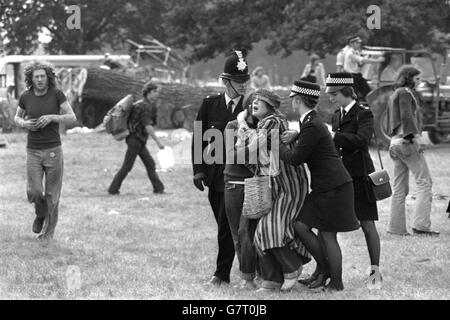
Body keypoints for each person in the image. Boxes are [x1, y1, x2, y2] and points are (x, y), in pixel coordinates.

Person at [279, 80, 360, 292]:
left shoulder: (312, 124)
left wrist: (274, 143)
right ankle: (324, 270)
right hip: (327, 186)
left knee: (327, 234)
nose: (292, 103)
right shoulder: (310, 122)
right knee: (301, 225)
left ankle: (336, 283)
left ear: (297, 100)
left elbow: (296, 158)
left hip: (334, 186)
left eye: (292, 100)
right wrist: (296, 135)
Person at [235, 89, 311, 292]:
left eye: (260, 101)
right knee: (264, 232)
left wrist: (241, 124)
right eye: (253, 101)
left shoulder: (272, 122)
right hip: (278, 186)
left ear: (271, 106)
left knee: (269, 230)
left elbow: (249, 149)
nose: (254, 103)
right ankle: (272, 280)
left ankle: (291, 268)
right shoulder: (266, 123)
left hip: (289, 186)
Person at [192, 50, 250, 286]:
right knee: (223, 224)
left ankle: (223, 273)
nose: (243, 86)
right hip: (216, 176)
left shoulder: (252, 106)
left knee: (230, 226)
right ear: (226, 82)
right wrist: (198, 170)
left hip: (242, 177)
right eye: (238, 81)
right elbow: (199, 137)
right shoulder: (210, 104)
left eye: (245, 81)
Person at [326, 72, 382, 290]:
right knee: (330, 226)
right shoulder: (336, 115)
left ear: (347, 91)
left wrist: (334, 137)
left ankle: (375, 272)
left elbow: (361, 141)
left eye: (335, 94)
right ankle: (328, 272)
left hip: (360, 176)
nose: (331, 98)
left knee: (368, 225)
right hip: (340, 176)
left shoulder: (363, 114)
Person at [14, 60, 77, 240]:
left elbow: (72, 117)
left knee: (52, 195)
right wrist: (25, 123)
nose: (40, 79)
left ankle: (48, 234)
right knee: (34, 190)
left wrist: (52, 117)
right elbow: (17, 118)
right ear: (31, 79)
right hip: (33, 150)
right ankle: (40, 213)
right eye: (36, 77)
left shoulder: (57, 94)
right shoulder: (26, 97)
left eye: (43, 76)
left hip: (53, 150)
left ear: (48, 77)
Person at [387, 66, 439, 236]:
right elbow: (407, 116)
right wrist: (418, 138)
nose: (419, 82)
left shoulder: (395, 93)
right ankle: (421, 225)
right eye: (417, 79)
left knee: (399, 188)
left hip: (395, 143)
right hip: (406, 142)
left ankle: (396, 228)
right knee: (425, 182)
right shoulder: (405, 93)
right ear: (408, 78)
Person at [223, 96, 259, 290]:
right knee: (240, 234)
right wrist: (253, 144)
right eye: (254, 105)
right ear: (248, 107)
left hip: (257, 185)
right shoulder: (232, 126)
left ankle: (257, 276)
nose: (258, 109)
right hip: (234, 184)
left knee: (252, 233)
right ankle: (248, 277)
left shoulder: (268, 125)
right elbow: (230, 156)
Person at [108, 81, 165, 195]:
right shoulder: (144, 106)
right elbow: (147, 125)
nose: (157, 94)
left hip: (138, 140)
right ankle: (113, 189)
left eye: (157, 92)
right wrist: (158, 142)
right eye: (154, 91)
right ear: (148, 92)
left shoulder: (141, 104)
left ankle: (159, 189)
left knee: (150, 164)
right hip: (135, 140)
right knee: (128, 166)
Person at [343, 35, 384, 101]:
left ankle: (367, 107)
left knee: (368, 92)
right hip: (351, 77)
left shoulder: (356, 52)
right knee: (354, 96)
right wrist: (378, 60)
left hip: (357, 76)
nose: (359, 44)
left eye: (359, 43)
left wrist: (368, 58)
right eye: (357, 43)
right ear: (352, 44)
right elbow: (363, 60)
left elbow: (361, 63)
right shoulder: (350, 53)